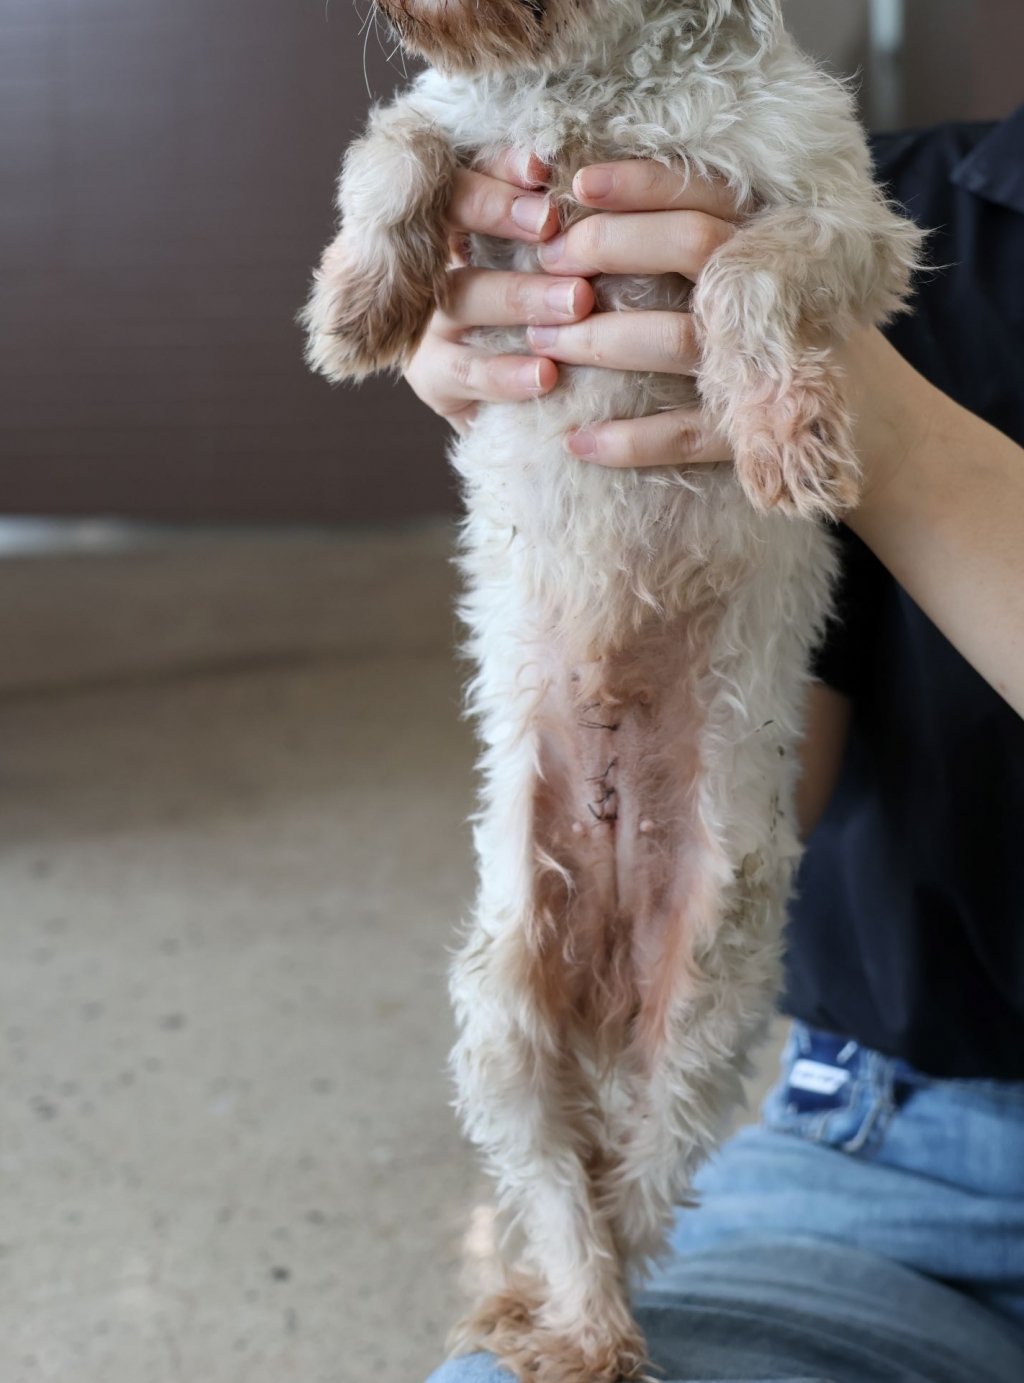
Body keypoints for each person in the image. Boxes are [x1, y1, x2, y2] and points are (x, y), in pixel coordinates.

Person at [405, 107, 1024, 1383]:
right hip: (889, 1168)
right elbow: (762, 778)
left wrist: (888, 430)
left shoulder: (826, 271)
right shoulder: (888, 217)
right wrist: (573, 454)